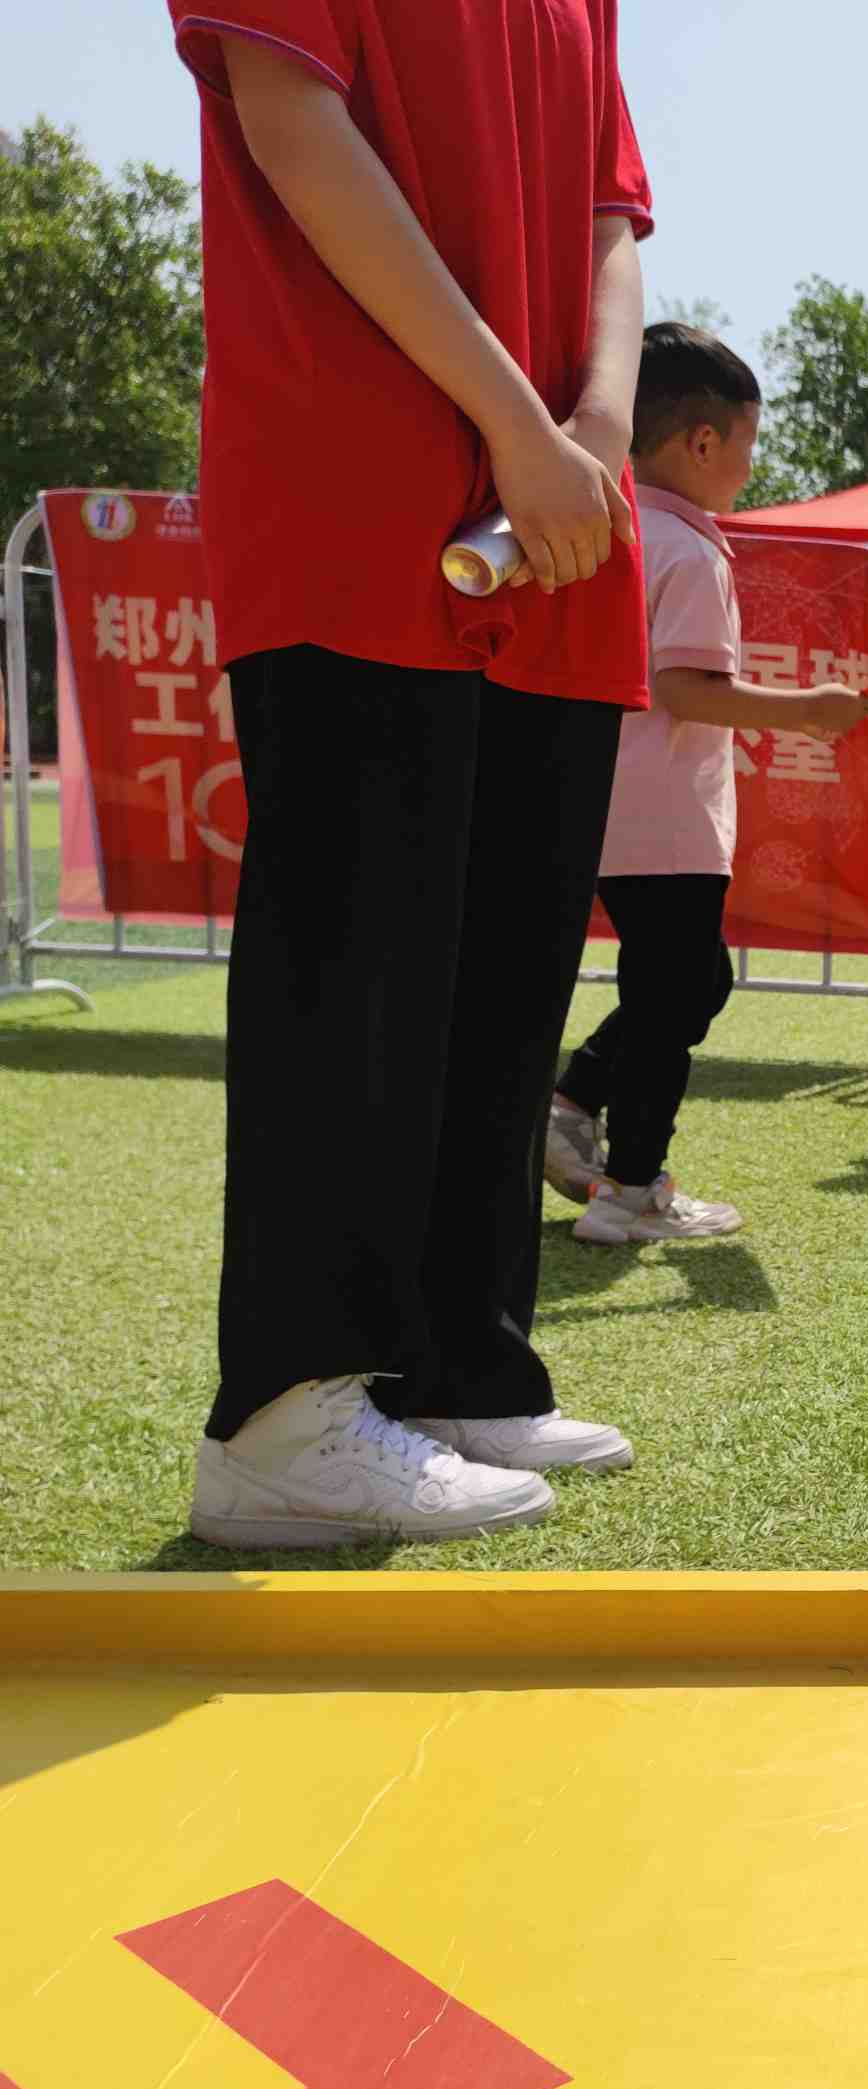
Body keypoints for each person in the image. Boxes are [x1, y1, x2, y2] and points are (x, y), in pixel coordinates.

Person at [171, 0, 655, 1546]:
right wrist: (516, 422)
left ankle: (460, 1366)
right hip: (364, 483)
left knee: (505, 971)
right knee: (360, 958)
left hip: (559, 517)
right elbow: (290, 117)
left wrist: (596, 426)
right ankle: (285, 1415)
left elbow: (612, 215)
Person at [544, 322, 868, 1242]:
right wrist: (810, 709)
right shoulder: (688, 550)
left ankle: (576, 1110)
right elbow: (684, 688)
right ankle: (629, 1189)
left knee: (689, 985)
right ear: (700, 441)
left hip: (609, 806)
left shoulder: (612, 525)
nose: (749, 466)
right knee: (674, 1001)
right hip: (667, 818)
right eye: (747, 444)